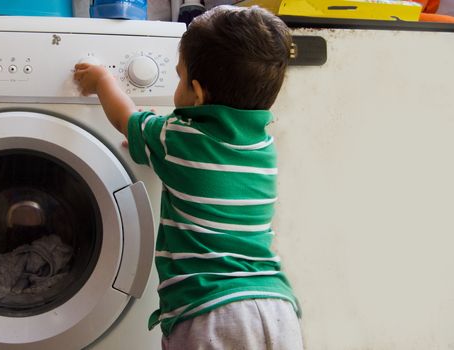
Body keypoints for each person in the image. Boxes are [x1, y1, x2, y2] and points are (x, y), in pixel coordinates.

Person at [74, 5, 302, 349]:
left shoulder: (176, 138)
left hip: (209, 309)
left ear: (197, 93)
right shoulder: (263, 147)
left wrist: (103, 81)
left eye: (179, 76)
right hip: (276, 307)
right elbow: (208, 178)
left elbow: (126, 119)